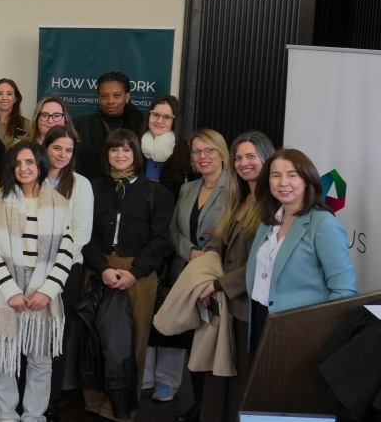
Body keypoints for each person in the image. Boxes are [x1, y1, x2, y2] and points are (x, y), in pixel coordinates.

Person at [81, 129, 174, 421]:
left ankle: (121, 409)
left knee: (132, 342)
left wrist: (134, 272)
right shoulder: (91, 188)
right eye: (113, 150)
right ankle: (93, 403)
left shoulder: (157, 193)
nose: (120, 155)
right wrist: (103, 267)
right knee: (93, 339)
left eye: (126, 150)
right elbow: (83, 234)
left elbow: (160, 240)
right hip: (98, 269)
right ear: (106, 154)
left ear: (136, 153)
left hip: (139, 274)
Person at [0, 142, 76, 422]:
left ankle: (34, 416)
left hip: (43, 286)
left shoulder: (59, 203)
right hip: (4, 287)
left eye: (30, 162)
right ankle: (6, 415)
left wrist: (47, 291)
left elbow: (66, 250)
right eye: (18, 163)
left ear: (40, 165)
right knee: (5, 355)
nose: (23, 168)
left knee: (40, 359)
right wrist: (11, 290)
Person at [146, 129, 229, 411]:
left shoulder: (236, 188)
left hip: (215, 278)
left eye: (209, 150)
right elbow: (172, 229)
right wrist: (191, 252)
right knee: (178, 329)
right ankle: (184, 396)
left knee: (207, 342)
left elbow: (234, 235)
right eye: (197, 151)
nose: (203, 156)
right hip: (183, 270)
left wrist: (207, 253)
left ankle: (205, 405)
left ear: (222, 153)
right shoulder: (187, 188)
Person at [199, 132, 274, 422]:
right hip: (226, 306)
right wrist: (206, 275)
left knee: (243, 381)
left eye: (251, 156)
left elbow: (262, 262)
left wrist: (218, 285)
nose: (244, 163)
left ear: (267, 158)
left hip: (250, 309)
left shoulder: (272, 204)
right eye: (239, 157)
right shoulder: (238, 198)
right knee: (221, 380)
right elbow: (219, 241)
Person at [246, 149, 357, 345]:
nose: (283, 183)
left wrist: (320, 335)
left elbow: (344, 293)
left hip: (303, 330)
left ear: (307, 179)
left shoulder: (323, 224)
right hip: (261, 319)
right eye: (276, 175)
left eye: (292, 175)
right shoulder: (268, 220)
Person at [41, 126, 93, 422]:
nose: (62, 154)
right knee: (30, 336)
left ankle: (51, 399)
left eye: (68, 150)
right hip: (29, 270)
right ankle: (28, 395)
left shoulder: (81, 185)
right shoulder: (31, 178)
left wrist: (52, 262)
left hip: (66, 271)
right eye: (57, 148)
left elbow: (80, 233)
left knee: (56, 338)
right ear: (45, 148)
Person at [74, 72, 145, 180]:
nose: (110, 101)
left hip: (132, 192)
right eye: (104, 96)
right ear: (98, 97)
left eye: (117, 95)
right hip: (92, 191)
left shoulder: (141, 125)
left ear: (127, 96)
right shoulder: (80, 125)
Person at [140, 95, 193, 198]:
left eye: (167, 117)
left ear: (174, 121)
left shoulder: (185, 150)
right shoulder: (133, 144)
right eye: (155, 115)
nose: (159, 121)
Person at [0, 79, 31, 147]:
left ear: (15, 99)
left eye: (9, 94)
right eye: (0, 93)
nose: (4, 98)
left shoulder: (26, 124)